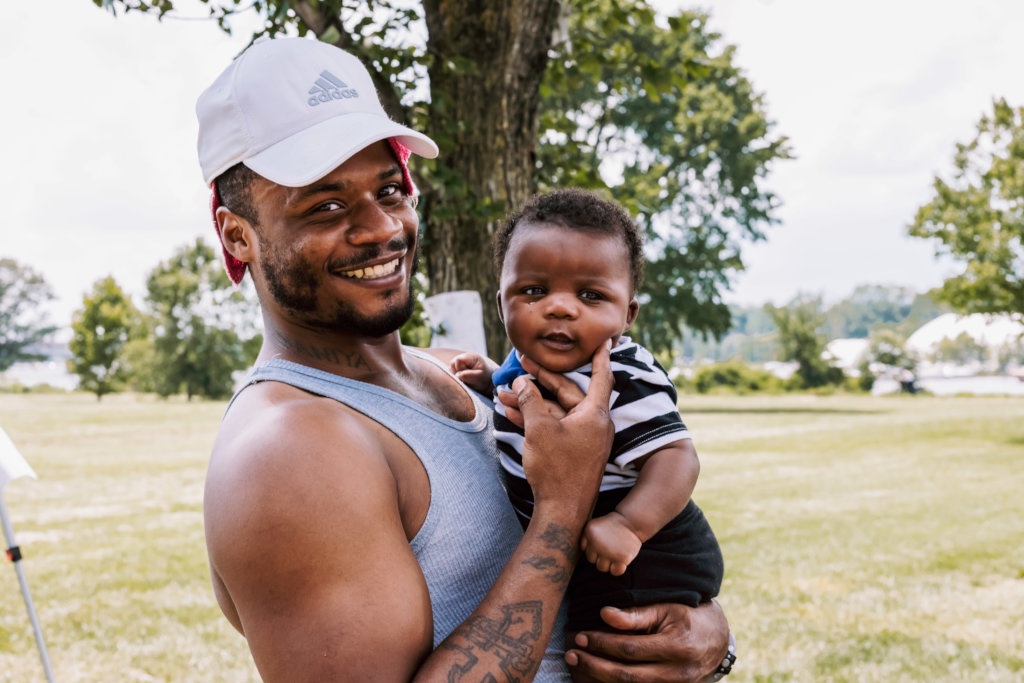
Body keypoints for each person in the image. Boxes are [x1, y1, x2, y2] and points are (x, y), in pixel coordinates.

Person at [197, 36, 733, 682]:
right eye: (327, 205)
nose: (382, 227)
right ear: (237, 235)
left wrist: (708, 639)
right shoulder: (287, 451)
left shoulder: (469, 373)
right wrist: (561, 509)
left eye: (390, 190)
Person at [450, 190, 723, 639]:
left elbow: (677, 456)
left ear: (627, 314)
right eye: (534, 291)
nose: (560, 307)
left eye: (591, 295)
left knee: (602, 649)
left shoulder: (623, 374)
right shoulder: (526, 361)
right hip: (580, 546)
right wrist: (491, 378)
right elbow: (523, 386)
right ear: (502, 305)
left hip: (644, 557)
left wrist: (629, 525)